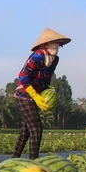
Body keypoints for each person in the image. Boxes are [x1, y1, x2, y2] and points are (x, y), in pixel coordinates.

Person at [12, 28, 71, 160]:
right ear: (46, 44)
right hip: (24, 96)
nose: (57, 46)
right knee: (36, 129)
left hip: (37, 95)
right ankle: (34, 162)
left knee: (25, 132)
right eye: (54, 43)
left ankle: (14, 159)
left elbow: (46, 78)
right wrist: (35, 96)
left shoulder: (55, 60)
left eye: (58, 44)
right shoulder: (36, 57)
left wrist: (48, 90)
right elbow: (22, 76)